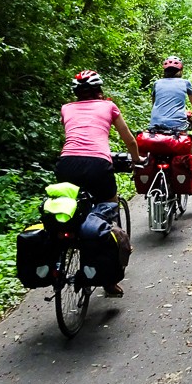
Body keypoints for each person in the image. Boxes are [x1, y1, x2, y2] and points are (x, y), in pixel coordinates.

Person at [56, 69, 142, 297]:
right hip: (97, 165)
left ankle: (61, 261)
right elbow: (129, 139)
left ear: (76, 92)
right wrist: (137, 160)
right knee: (108, 213)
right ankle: (109, 282)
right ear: (99, 91)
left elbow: (74, 135)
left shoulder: (66, 108)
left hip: (66, 165)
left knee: (70, 212)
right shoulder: (108, 107)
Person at [149, 55, 192, 131]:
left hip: (155, 125)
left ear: (164, 71)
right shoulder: (185, 83)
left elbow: (154, 104)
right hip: (178, 125)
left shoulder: (157, 83)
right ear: (181, 70)